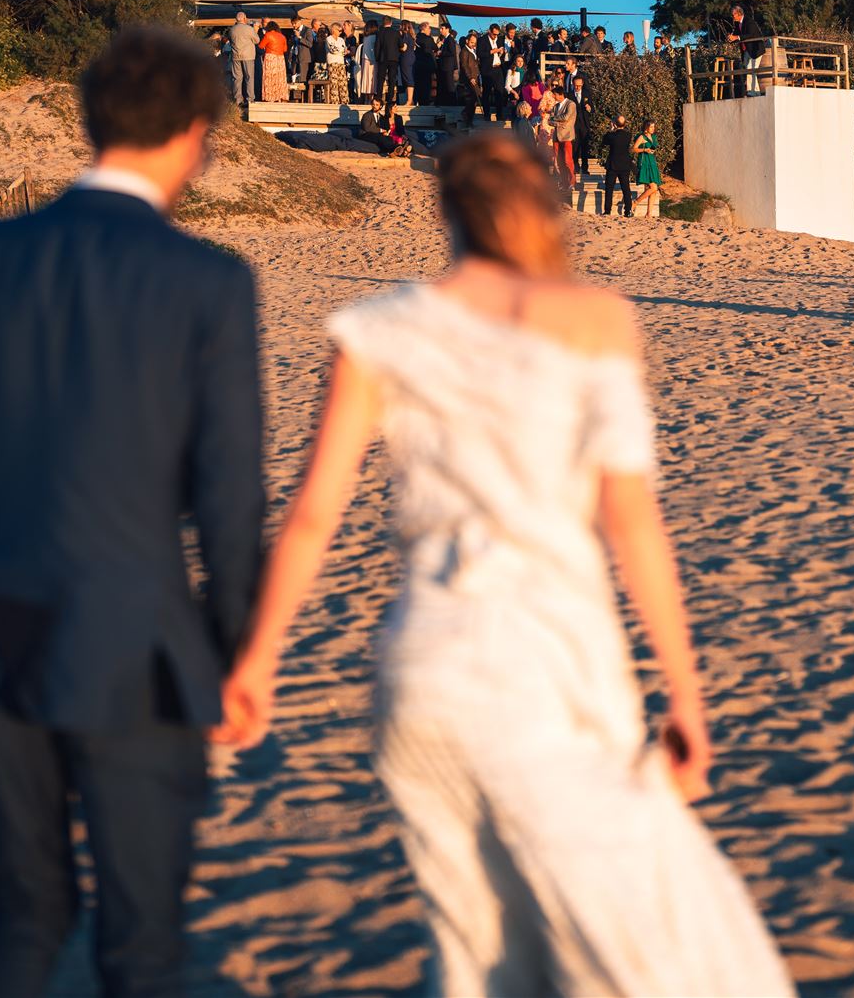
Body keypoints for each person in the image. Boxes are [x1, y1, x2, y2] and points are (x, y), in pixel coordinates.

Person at [216, 134, 794, 997]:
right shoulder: (596, 319)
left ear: (448, 211)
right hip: (542, 665)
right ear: (546, 207)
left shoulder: (377, 330)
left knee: (475, 956)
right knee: (645, 944)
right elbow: (632, 521)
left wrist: (258, 659)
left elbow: (312, 516)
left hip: (421, 669)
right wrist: (685, 690)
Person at [0, 25, 266, 995]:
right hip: (138, 642)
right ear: (193, 135)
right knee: (142, 943)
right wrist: (239, 649)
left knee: (23, 912)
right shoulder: (207, 280)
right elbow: (228, 494)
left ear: (91, 122)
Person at [600, 112, 636, 217]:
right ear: (624, 124)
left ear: (615, 124)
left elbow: (604, 142)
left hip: (613, 165)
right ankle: (628, 211)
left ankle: (607, 211)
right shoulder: (628, 135)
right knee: (626, 188)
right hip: (624, 164)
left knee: (609, 189)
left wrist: (611, 130)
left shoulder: (611, 136)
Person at [548, 79, 578, 188]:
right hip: (556, 136)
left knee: (567, 160)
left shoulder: (571, 104)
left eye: (555, 95)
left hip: (567, 136)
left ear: (560, 95)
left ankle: (572, 181)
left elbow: (566, 117)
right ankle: (563, 181)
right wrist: (558, 123)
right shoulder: (555, 106)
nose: (553, 97)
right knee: (558, 161)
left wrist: (555, 119)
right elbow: (549, 121)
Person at [226, 11, 259, 106]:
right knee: (249, 77)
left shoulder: (232, 30)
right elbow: (257, 40)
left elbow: (230, 41)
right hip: (248, 56)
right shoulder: (249, 29)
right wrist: (255, 30)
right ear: (244, 18)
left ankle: (238, 100)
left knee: (237, 78)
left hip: (236, 56)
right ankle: (250, 99)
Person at [633, 118, 662, 215]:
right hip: (645, 163)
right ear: (646, 127)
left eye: (654, 127)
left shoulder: (653, 137)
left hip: (652, 162)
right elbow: (634, 149)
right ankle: (635, 202)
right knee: (653, 187)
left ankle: (649, 214)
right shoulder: (642, 137)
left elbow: (653, 148)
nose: (653, 128)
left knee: (654, 190)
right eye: (651, 127)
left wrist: (651, 150)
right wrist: (644, 150)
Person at [567, 73, 594, 176]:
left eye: (579, 85)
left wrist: (589, 109)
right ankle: (575, 167)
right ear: (573, 84)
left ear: (582, 84)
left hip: (584, 124)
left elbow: (592, 109)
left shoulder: (587, 94)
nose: (577, 87)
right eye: (575, 85)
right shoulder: (569, 95)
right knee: (575, 147)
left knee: (585, 147)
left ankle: (585, 168)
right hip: (574, 125)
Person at [455, 31, 482, 129]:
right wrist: (470, 77)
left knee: (475, 98)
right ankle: (467, 117)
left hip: (475, 77)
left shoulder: (472, 51)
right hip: (469, 79)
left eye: (474, 42)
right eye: (471, 42)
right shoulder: (464, 51)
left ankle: (468, 118)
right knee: (472, 98)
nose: (473, 44)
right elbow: (464, 66)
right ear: (467, 41)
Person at [258, 20, 290, 102]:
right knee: (280, 78)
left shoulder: (268, 35)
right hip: (280, 58)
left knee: (269, 77)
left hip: (270, 57)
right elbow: (285, 49)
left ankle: (270, 97)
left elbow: (261, 46)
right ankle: (280, 96)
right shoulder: (282, 36)